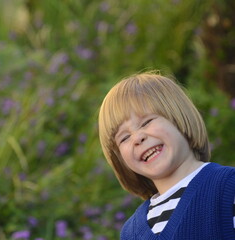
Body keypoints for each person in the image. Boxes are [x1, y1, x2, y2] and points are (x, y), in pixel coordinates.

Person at [98, 71, 235, 239]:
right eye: (124, 138)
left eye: (146, 122)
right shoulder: (130, 233)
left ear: (178, 118)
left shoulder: (227, 188)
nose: (137, 138)